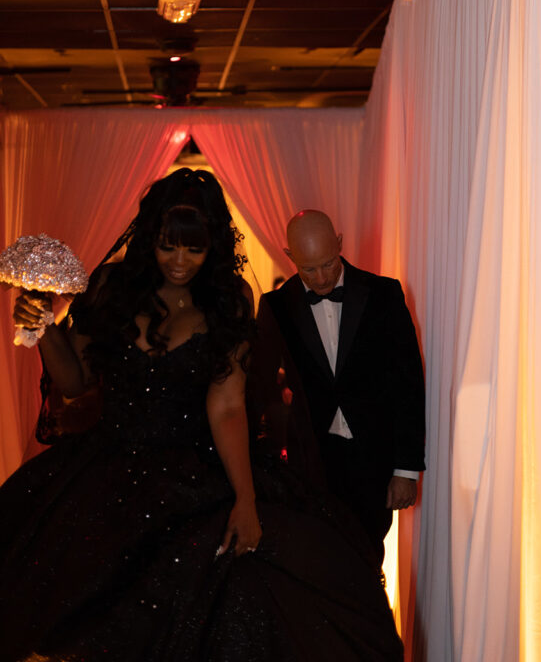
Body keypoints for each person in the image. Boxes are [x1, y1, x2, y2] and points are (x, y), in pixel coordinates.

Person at [0, 170, 403, 662]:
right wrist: (45, 326)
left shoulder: (228, 299)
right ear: (151, 239)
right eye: (169, 246)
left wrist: (246, 499)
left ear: (213, 246)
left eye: (194, 248)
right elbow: (75, 384)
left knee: (242, 592)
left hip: (198, 470)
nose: (179, 261)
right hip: (108, 468)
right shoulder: (108, 286)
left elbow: (228, 406)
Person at [257, 210, 426, 562]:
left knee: (366, 561)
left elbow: (407, 383)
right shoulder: (276, 306)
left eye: (328, 264)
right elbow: (258, 387)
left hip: (372, 461)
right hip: (309, 465)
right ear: (290, 257)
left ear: (340, 243)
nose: (320, 278)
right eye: (308, 269)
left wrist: (405, 469)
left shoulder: (384, 294)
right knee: (319, 566)